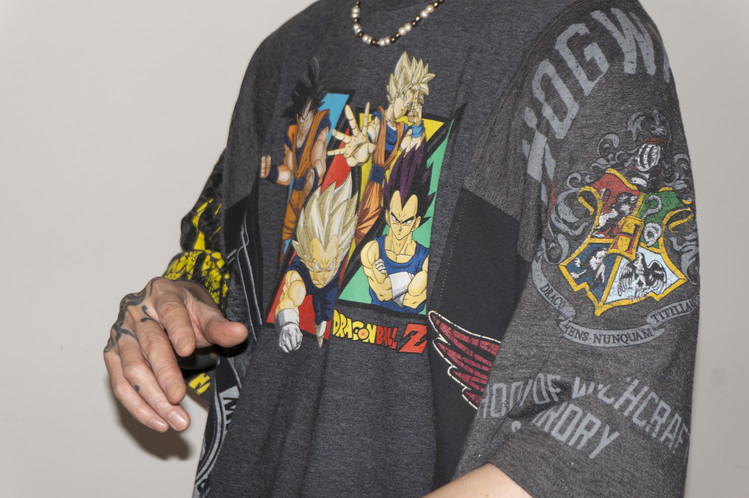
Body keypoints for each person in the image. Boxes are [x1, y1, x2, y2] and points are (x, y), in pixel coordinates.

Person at [103, 0, 700, 496]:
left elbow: (622, 419)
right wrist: (172, 317)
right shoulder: (284, 54)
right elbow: (230, 295)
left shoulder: (590, 44)